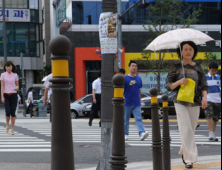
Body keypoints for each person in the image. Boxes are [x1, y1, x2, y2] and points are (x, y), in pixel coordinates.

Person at [166, 41, 208, 169]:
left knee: (191, 128)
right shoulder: (176, 67)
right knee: (186, 128)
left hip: (195, 101)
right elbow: (168, 85)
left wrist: (205, 97)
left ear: (194, 51)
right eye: (185, 49)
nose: (188, 51)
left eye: (190, 49)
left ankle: (184, 150)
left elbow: (203, 84)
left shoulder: (198, 67)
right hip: (180, 101)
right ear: (181, 52)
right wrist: (179, 81)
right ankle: (189, 159)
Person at [124, 61, 149, 141]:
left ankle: (141, 133)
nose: (134, 67)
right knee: (125, 119)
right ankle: (125, 134)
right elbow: (121, 89)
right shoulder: (125, 78)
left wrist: (140, 99)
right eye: (132, 66)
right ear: (129, 67)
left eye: (135, 66)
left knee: (138, 118)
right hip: (127, 102)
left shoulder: (138, 78)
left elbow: (139, 90)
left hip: (137, 102)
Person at [1, 61, 19, 135]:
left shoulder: (15, 75)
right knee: (7, 112)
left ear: (12, 67)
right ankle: (7, 125)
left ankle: (12, 129)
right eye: (7, 66)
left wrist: (16, 88)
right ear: (5, 67)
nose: (8, 67)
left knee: (13, 113)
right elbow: (2, 86)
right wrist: (2, 96)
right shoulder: (3, 75)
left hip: (14, 95)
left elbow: (17, 85)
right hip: (6, 95)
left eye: (10, 66)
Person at [205, 62, 221, 142]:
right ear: (209, 69)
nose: (214, 72)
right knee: (209, 116)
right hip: (208, 99)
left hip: (218, 100)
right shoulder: (205, 78)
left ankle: (213, 134)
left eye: (215, 70)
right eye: (212, 70)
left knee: (215, 118)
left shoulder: (219, 77)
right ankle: (210, 133)